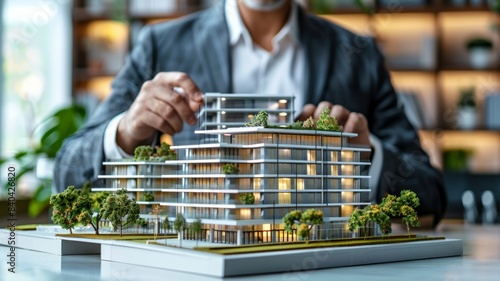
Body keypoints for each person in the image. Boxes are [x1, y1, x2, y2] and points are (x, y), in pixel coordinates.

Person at [54, 0, 446, 226]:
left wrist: (367, 156)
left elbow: (430, 193)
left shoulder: (358, 54)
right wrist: (123, 134)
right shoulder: (160, 44)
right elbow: (67, 176)